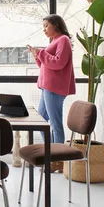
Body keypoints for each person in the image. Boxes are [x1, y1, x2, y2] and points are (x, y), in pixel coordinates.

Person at [27, 14, 76, 173]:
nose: (44, 29)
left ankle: (57, 160)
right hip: (47, 87)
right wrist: (38, 56)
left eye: (46, 26)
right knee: (41, 121)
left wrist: (41, 53)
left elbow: (59, 62)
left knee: (55, 123)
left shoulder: (63, 40)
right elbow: (47, 65)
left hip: (54, 88)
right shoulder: (55, 41)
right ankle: (51, 155)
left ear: (56, 25)